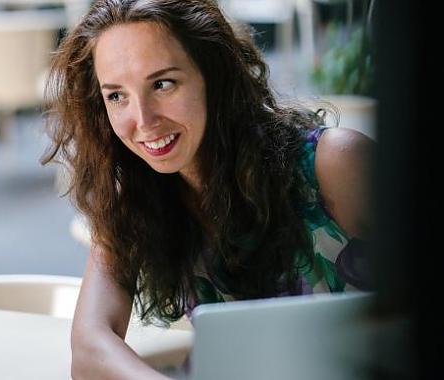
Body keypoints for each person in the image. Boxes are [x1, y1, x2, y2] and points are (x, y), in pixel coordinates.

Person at [40, 0, 374, 378]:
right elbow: (88, 348)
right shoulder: (133, 200)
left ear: (213, 76)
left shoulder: (334, 163)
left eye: (163, 84)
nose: (143, 121)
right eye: (117, 96)